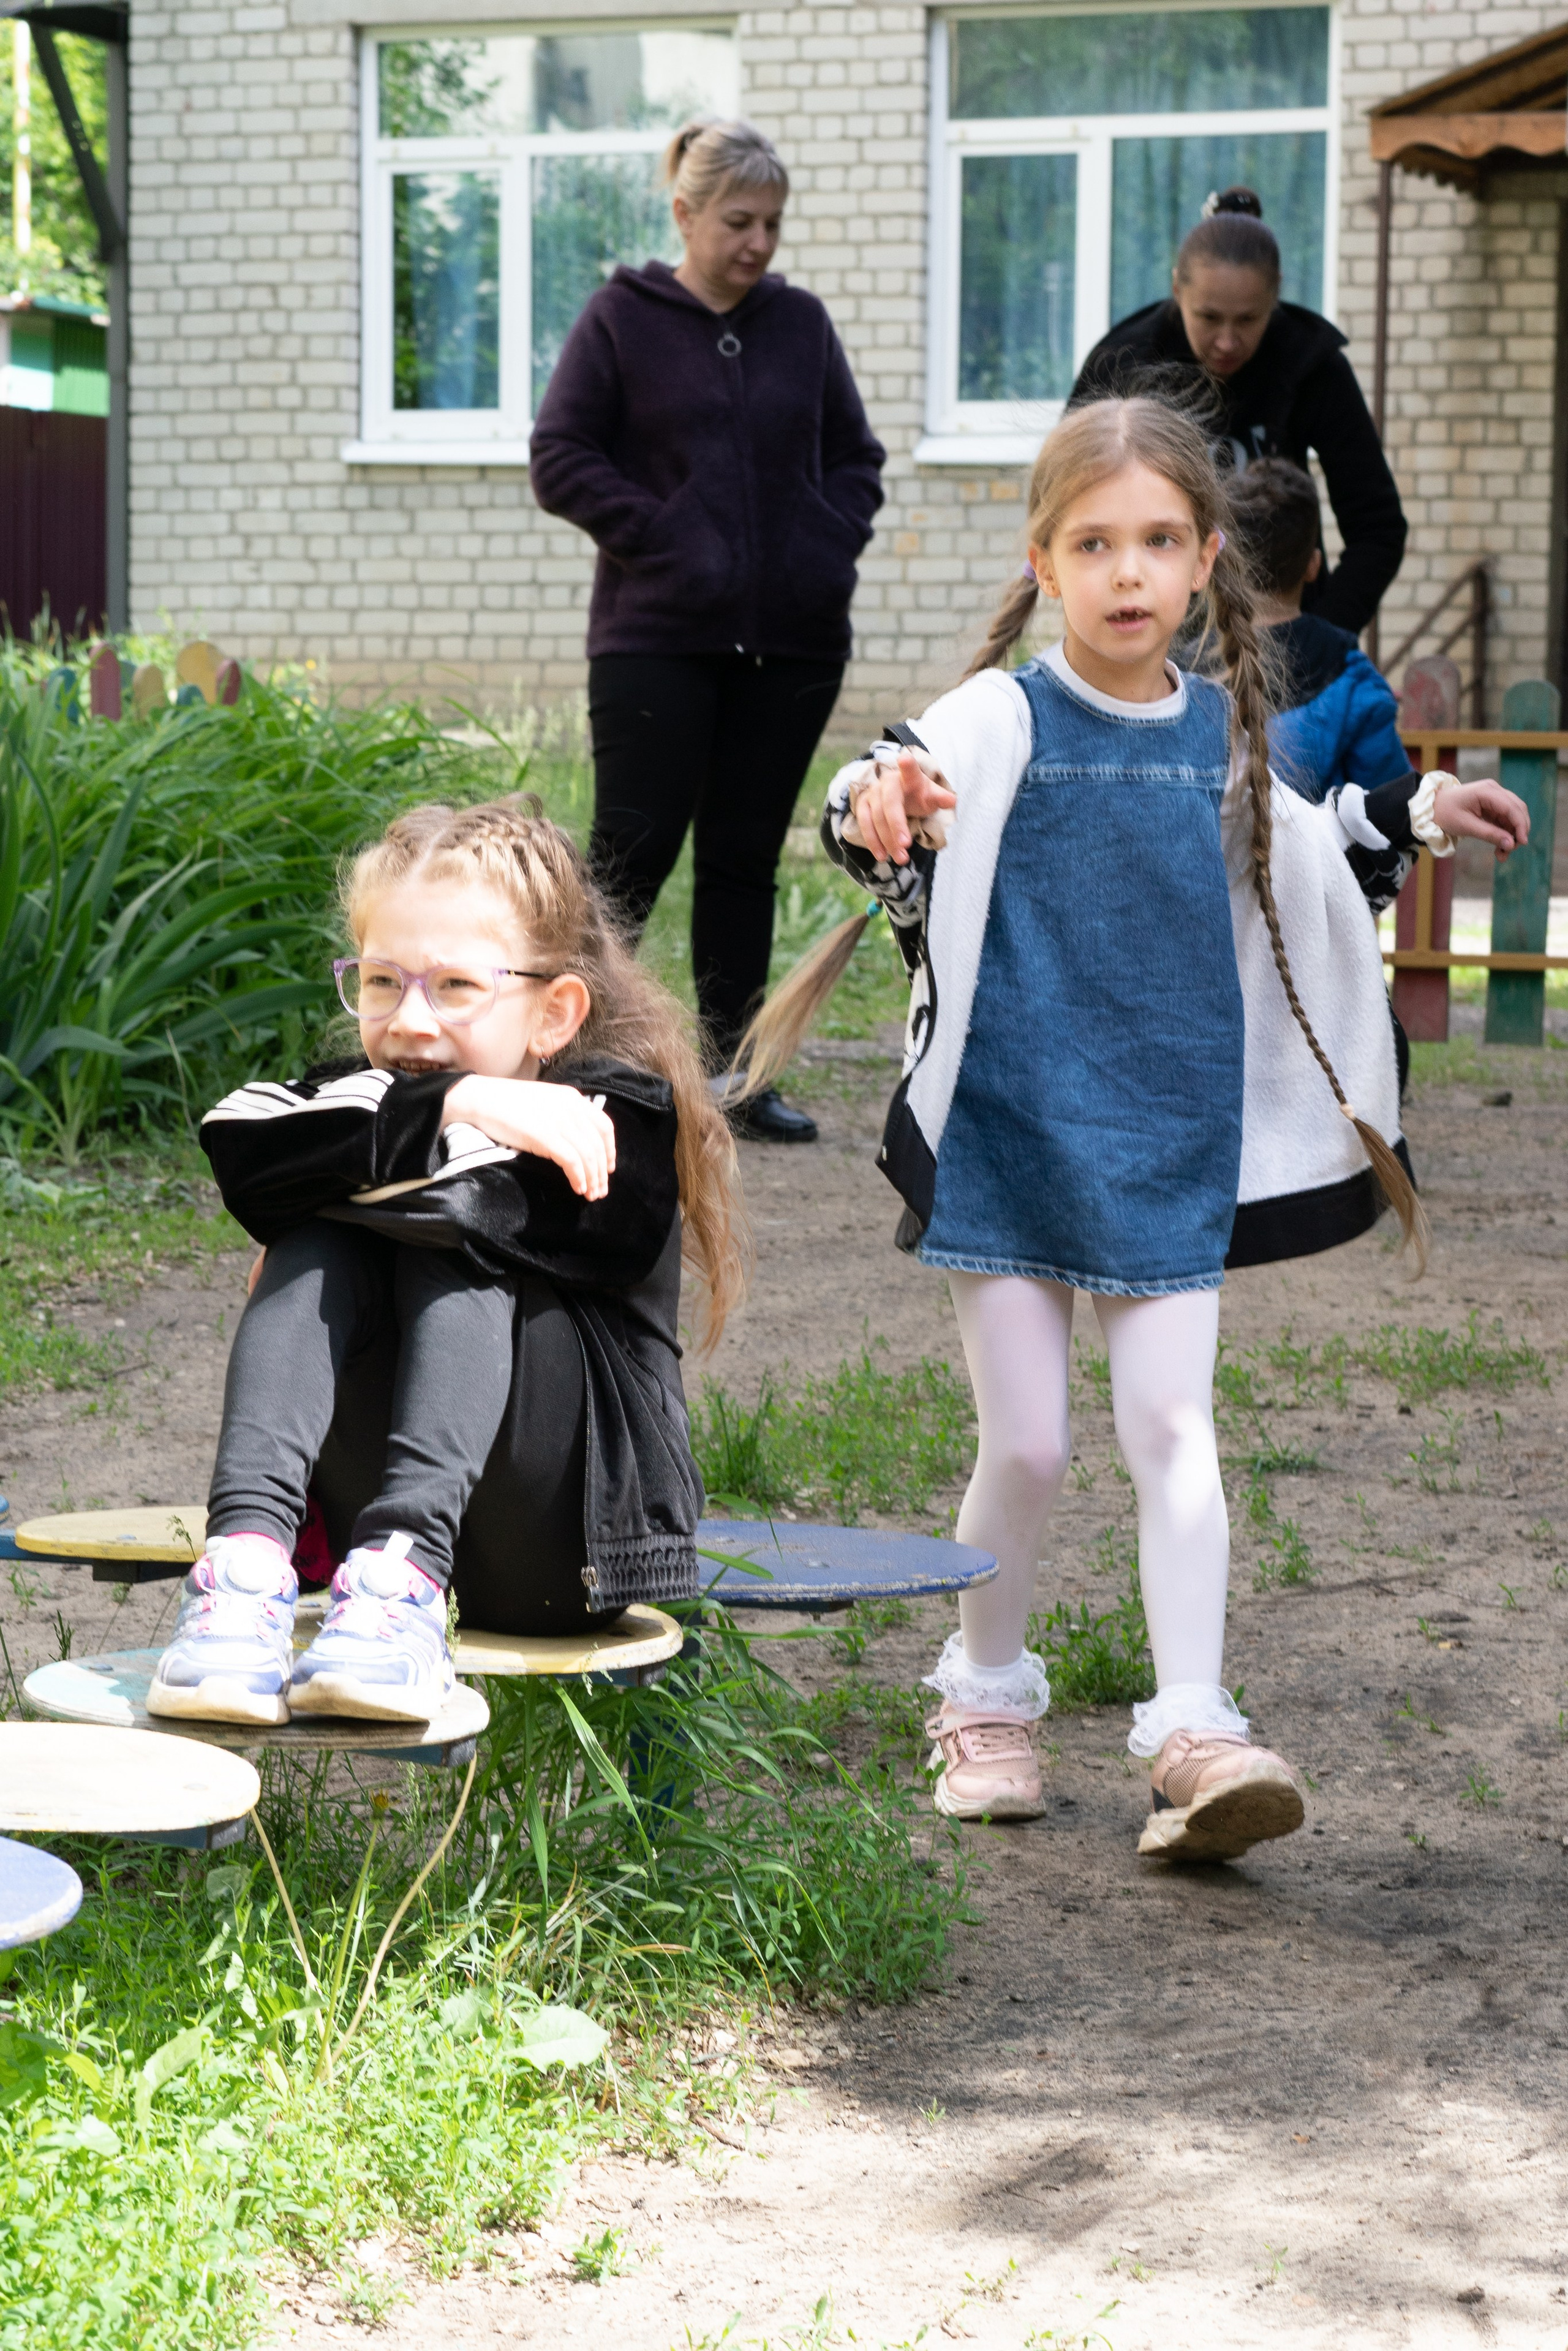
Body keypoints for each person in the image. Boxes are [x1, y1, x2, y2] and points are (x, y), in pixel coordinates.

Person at [731, 398, 1528, 1859]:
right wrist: (883, 800)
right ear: (1043, 562)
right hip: (1015, 1130)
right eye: (1092, 543)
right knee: (1026, 1444)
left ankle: (1192, 1724)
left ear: (1205, 559)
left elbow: (1307, 845)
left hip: (1167, 1139)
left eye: (1156, 541)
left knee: (1175, 1432)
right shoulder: (999, 718)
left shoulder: (1221, 731)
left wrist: (1415, 816)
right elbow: (871, 796)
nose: (1124, 571)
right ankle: (980, 1697)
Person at [146, 799, 747, 1728]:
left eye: (456, 987)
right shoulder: (386, 1093)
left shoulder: (617, 1117)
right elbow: (235, 1139)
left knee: (399, 1225)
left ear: (555, 1011)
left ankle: (404, 1579)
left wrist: (330, 1169)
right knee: (328, 1232)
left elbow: (466, 1205)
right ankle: (245, 1571)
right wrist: (469, 1103)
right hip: (358, 1557)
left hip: (560, 1549)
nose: (411, 1022)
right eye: (382, 981)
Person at [530, 116, 886, 1145]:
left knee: (742, 858)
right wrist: (669, 540)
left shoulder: (802, 325)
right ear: (685, 213)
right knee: (631, 851)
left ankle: (734, 1075)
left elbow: (855, 459)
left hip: (793, 643)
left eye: (773, 222)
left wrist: (823, 545)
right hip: (657, 637)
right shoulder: (620, 318)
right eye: (739, 220)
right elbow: (560, 455)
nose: (760, 242)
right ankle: (582, 1060)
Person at [1071, 188, 1405, 638]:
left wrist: (1317, 640)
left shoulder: (1312, 365)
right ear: (1177, 289)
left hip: (1282, 642)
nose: (1227, 342)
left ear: (1275, 297)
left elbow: (1378, 528)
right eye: (1209, 318)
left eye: (1248, 320)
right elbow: (1067, 514)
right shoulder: (1124, 362)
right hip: (1152, 646)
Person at [1226, 456, 1414, 804]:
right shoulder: (1352, 678)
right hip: (1324, 858)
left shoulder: (1178, 674)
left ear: (1227, 562)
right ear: (1313, 566)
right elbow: (1395, 812)